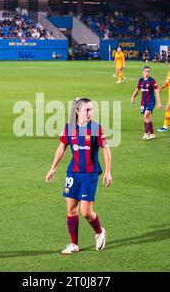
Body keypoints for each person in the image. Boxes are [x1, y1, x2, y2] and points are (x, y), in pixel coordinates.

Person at [45, 98, 112, 255]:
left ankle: (99, 231)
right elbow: (62, 147)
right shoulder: (69, 128)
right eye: (87, 110)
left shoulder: (95, 128)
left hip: (89, 174)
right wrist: (52, 168)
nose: (90, 113)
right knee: (71, 209)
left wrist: (108, 171)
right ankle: (74, 244)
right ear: (77, 111)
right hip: (73, 173)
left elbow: (106, 149)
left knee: (86, 212)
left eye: (91, 109)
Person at [131, 66, 162, 140]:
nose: (147, 73)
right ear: (143, 71)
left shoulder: (152, 81)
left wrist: (159, 102)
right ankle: (152, 134)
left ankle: (145, 133)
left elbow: (156, 92)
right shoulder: (141, 80)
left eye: (148, 71)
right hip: (143, 102)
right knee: (147, 118)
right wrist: (133, 97)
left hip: (151, 101)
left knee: (146, 115)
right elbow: (137, 89)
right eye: (146, 71)